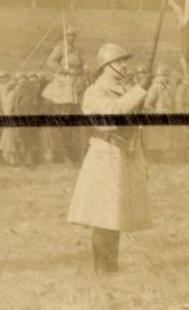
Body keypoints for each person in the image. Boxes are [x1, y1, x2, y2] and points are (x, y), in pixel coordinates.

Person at [66, 43, 165, 273]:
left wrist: (152, 92)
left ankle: (112, 266)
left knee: (116, 213)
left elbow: (142, 112)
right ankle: (102, 268)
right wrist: (139, 90)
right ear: (106, 66)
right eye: (119, 61)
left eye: (124, 61)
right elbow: (113, 111)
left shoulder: (124, 89)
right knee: (103, 215)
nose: (124, 65)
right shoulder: (95, 91)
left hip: (124, 153)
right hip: (105, 154)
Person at [42, 25, 88, 163]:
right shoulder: (61, 47)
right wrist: (62, 69)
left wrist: (84, 67)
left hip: (77, 79)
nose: (72, 38)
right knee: (64, 105)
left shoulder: (77, 49)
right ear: (65, 36)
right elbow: (51, 60)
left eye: (73, 35)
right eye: (69, 35)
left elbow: (81, 63)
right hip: (65, 80)